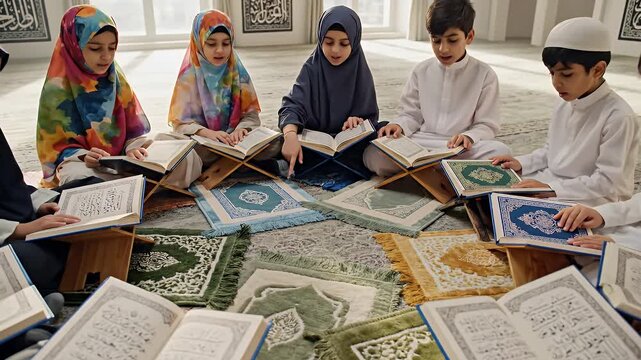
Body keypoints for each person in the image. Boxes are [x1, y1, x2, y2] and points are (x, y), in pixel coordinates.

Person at [36, 5, 199, 189]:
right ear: (74, 45)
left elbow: (133, 131)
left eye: (112, 48)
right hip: (89, 165)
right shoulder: (56, 89)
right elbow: (53, 149)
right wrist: (82, 155)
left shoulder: (114, 76)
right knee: (75, 178)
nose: (106, 57)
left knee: (187, 155)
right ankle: (140, 187)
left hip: (125, 158)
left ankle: (128, 189)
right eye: (95, 48)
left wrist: (132, 146)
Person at [492, 17, 640, 206]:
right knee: (497, 192)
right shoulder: (565, 100)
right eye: (552, 73)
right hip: (554, 181)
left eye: (566, 74)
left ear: (598, 70)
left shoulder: (618, 117)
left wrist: (550, 189)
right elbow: (550, 151)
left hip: (593, 197)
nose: (556, 83)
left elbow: (607, 182)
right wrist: (522, 163)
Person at [364, 0, 509, 177]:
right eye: (436, 40)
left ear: (469, 36)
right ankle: (446, 174)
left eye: (452, 40)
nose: (443, 49)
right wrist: (398, 126)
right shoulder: (421, 70)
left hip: (459, 149)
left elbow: (487, 124)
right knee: (372, 154)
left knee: (500, 152)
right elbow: (410, 114)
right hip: (420, 142)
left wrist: (469, 137)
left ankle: (422, 172)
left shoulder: (485, 74)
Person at [0, 46, 71, 360]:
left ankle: (29, 319)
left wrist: (38, 203)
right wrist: (23, 229)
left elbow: (10, 183)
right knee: (38, 256)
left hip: (18, 219)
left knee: (78, 200)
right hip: (9, 238)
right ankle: (25, 327)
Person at [279, 5, 380, 178]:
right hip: (313, 144)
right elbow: (292, 106)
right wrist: (289, 136)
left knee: (384, 135)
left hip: (349, 145)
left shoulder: (360, 71)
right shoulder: (311, 68)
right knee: (277, 142)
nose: (335, 50)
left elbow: (369, 118)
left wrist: (357, 121)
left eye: (344, 43)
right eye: (328, 42)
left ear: (355, 42)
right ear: (320, 39)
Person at [168, 9, 264, 173]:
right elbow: (179, 124)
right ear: (198, 42)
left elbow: (251, 115)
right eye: (212, 44)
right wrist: (207, 133)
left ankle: (229, 160)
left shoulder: (236, 70)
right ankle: (233, 164)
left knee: (274, 142)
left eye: (226, 44)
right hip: (204, 143)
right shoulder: (188, 76)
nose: (220, 50)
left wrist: (242, 129)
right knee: (176, 148)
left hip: (235, 141)